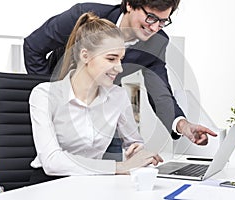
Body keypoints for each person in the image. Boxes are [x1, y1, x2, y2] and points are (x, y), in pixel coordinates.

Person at [24, 0, 217, 157]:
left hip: (104, 117)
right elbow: (33, 46)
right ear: (130, 5)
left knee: (114, 173)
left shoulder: (157, 43)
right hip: (61, 117)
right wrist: (52, 96)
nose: (155, 27)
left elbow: (160, 92)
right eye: (151, 17)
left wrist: (182, 125)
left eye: (163, 21)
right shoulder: (84, 15)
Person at [29, 12, 163, 184]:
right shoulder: (44, 95)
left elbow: (134, 142)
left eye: (121, 59)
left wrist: (137, 151)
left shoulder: (118, 96)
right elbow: (52, 162)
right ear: (85, 56)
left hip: (93, 182)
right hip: (48, 183)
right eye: (111, 58)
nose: (120, 68)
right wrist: (119, 167)